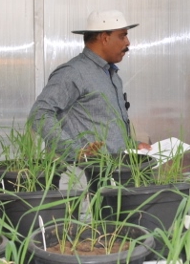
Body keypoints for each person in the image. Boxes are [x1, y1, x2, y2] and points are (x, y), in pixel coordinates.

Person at [28, 10, 139, 162]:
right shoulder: (72, 72)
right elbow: (39, 115)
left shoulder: (112, 75)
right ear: (105, 38)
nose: (127, 42)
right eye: (122, 36)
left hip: (115, 170)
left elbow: (108, 128)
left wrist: (133, 146)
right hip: (85, 173)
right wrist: (76, 152)